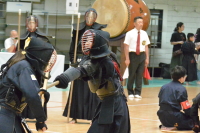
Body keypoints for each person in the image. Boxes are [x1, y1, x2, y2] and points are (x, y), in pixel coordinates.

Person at [54, 29, 130, 133]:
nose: (86, 43)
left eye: (90, 41)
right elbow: (79, 66)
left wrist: (65, 78)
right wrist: (65, 76)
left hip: (114, 105)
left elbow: (82, 69)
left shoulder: (105, 61)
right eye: (85, 41)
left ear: (98, 43)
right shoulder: (104, 57)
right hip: (108, 101)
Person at [0, 37, 56, 133]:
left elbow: (29, 93)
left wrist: (40, 93)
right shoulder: (24, 67)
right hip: (4, 114)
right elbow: (32, 96)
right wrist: (41, 120)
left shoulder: (22, 64)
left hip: (11, 113)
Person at [63, 8, 106, 123]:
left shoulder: (98, 30)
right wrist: (73, 61)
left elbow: (102, 47)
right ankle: (74, 115)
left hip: (93, 61)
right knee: (77, 90)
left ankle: (93, 116)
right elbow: (72, 48)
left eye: (93, 16)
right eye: (88, 16)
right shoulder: (78, 29)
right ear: (85, 16)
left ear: (95, 18)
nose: (90, 18)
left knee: (92, 89)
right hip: (79, 61)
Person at [157, 66, 194, 132]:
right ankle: (174, 126)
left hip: (161, 115)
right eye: (184, 76)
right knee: (193, 122)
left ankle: (167, 125)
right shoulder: (181, 89)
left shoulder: (164, 87)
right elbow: (186, 108)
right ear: (181, 78)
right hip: (174, 116)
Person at [124, 16, 150, 99]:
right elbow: (126, 46)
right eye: (139, 22)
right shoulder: (129, 33)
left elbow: (146, 46)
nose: (141, 24)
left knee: (139, 75)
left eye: (142, 22)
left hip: (142, 55)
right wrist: (127, 58)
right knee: (132, 74)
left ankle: (138, 92)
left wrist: (147, 58)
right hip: (132, 55)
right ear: (134, 24)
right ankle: (130, 92)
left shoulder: (144, 33)